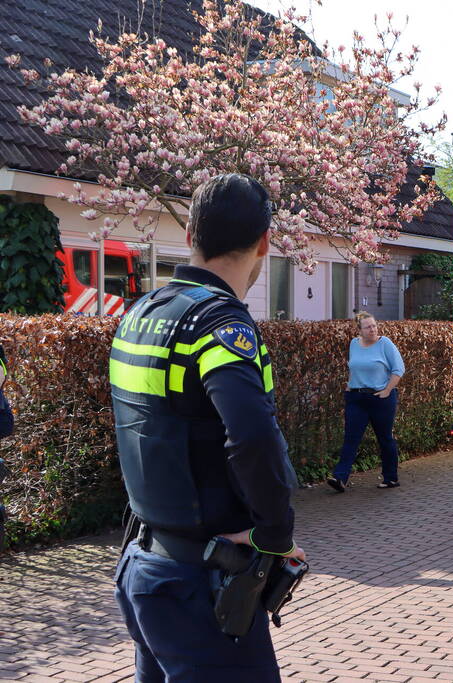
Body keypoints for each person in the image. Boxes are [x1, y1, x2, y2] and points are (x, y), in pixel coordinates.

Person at [110, 174, 303, 682]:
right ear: (264, 242)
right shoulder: (221, 326)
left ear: (191, 232)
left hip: (144, 570)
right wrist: (274, 536)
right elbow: (254, 436)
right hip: (202, 588)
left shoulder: (140, 313)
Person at [327, 312, 405, 492]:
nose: (373, 329)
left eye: (374, 326)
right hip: (356, 399)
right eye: (368, 327)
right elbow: (354, 367)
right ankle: (340, 478)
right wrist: (349, 385)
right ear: (359, 330)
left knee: (384, 438)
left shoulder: (385, 344)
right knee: (350, 439)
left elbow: (398, 369)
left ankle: (390, 478)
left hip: (380, 399)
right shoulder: (354, 344)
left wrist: (387, 391)